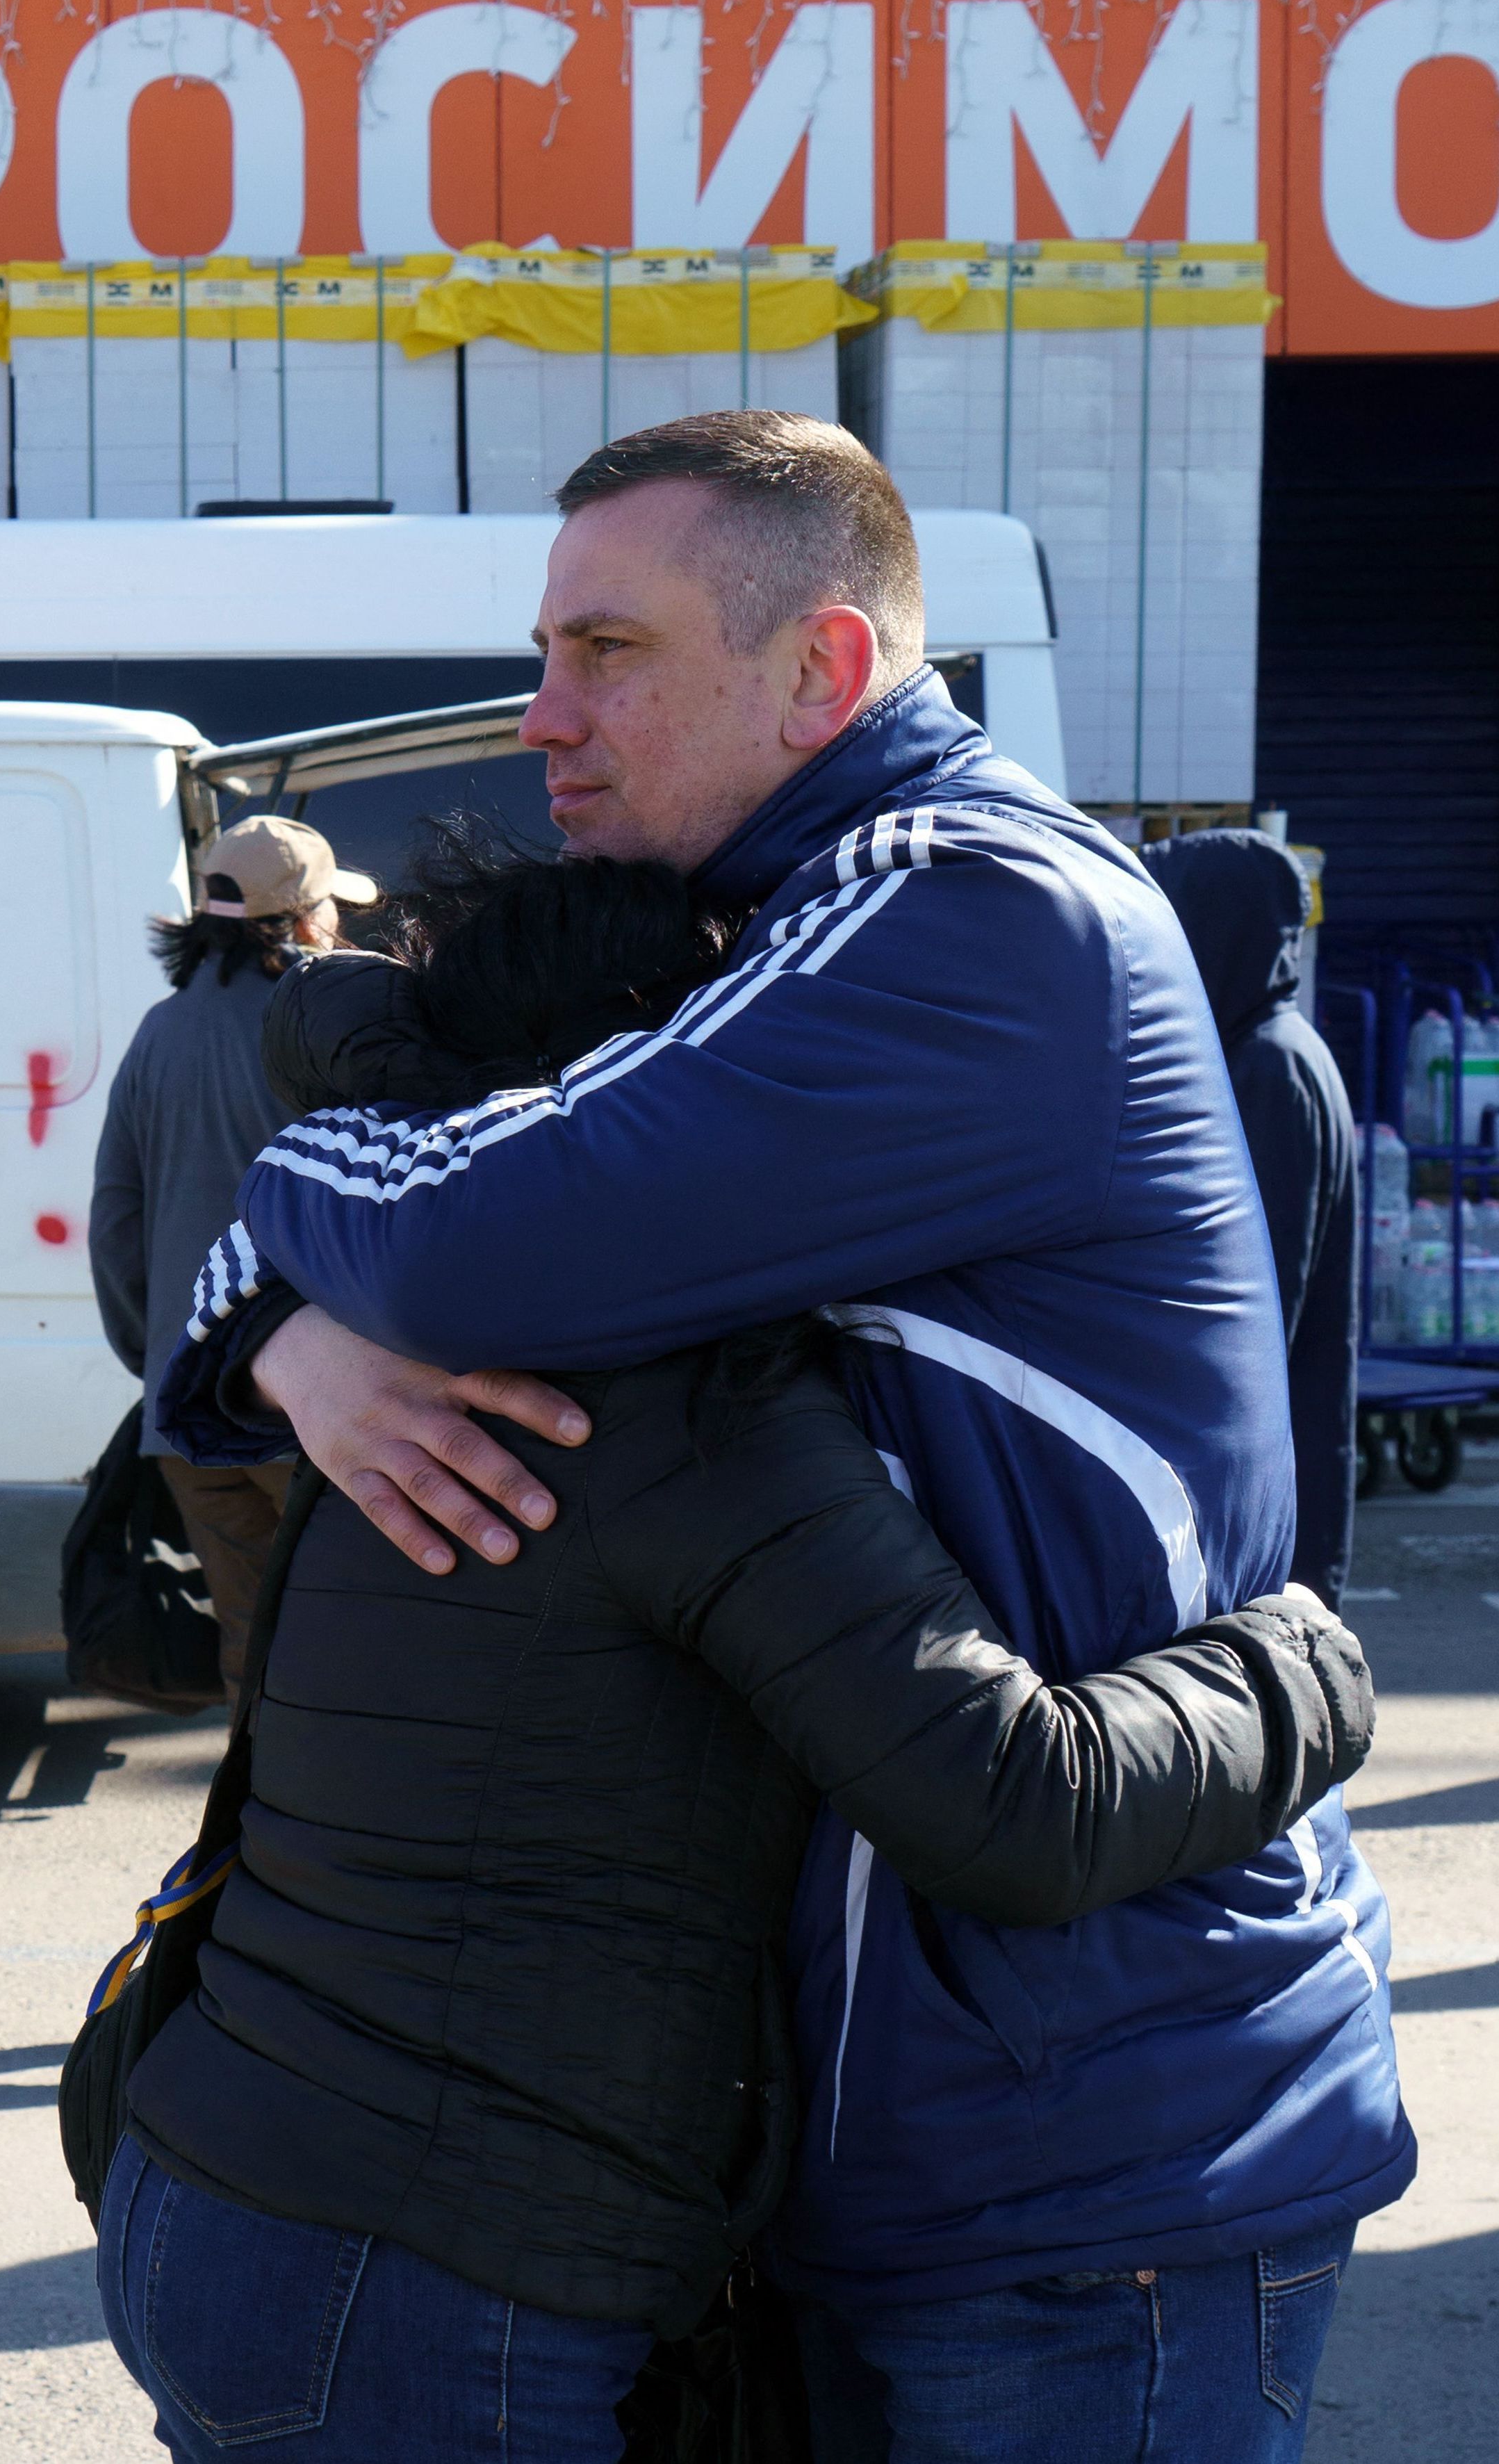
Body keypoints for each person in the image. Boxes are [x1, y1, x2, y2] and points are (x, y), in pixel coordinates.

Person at [157, 411, 1409, 2460]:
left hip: (1082, 2155)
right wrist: (296, 1330)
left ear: (821, 668)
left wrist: (307, 1212)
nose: (539, 716)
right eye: (544, 652)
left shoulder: (955, 908)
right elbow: (420, 1218)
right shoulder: (765, 927)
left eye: (607, 651)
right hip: (896, 2130)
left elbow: (467, 1236)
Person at [88, 813, 351, 1693]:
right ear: (304, 919)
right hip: (312, 1405)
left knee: (253, 1650)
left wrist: (161, 1356)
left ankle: (251, 1789)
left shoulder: (157, 1033)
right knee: (361, 1647)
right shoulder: (325, 1022)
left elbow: (115, 1221)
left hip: (188, 1414)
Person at [1146, 828, 1360, 1606]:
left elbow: (1259, 1306)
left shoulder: (1271, 1068)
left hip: (1271, 1497)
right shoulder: (1270, 1048)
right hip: (1275, 1477)